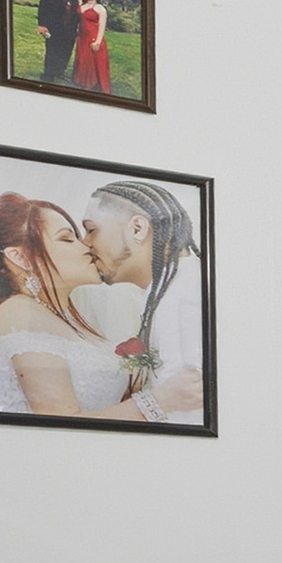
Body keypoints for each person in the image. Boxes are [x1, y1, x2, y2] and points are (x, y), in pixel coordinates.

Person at [0, 191, 198, 423]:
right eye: (67, 238)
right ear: (20, 257)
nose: (86, 246)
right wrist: (160, 401)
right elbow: (59, 422)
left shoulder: (65, 315)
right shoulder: (18, 313)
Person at [79, 179, 203, 419]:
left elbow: (188, 403)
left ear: (138, 229)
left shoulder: (181, 293)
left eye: (92, 230)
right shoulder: (171, 288)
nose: (85, 243)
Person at [35, 0, 81, 87]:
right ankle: (48, 74)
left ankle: (59, 72)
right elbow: (43, 7)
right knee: (52, 50)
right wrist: (41, 24)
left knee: (65, 52)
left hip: (70, 29)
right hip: (53, 27)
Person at [71, 0, 113, 95]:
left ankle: (94, 85)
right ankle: (83, 81)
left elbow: (102, 26)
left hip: (94, 38)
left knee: (95, 62)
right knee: (83, 60)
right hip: (82, 37)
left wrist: (98, 42)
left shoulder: (100, 8)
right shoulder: (81, 5)